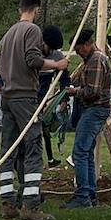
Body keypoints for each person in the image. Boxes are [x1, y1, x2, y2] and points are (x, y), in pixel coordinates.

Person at [0, 0, 67, 220]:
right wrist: (57, 64)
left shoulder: (8, 34)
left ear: (20, 9)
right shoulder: (32, 30)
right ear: (36, 10)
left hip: (7, 96)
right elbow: (33, 60)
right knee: (33, 147)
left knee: (8, 149)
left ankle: (7, 202)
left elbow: (1, 67)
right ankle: (31, 205)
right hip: (24, 97)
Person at [65, 28, 111, 209]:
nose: (78, 53)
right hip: (96, 109)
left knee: (80, 152)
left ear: (86, 45)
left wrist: (74, 91)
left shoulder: (95, 61)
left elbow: (93, 91)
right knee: (86, 152)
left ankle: (83, 195)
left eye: (78, 50)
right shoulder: (95, 59)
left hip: (95, 109)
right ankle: (90, 194)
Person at [39, 25, 67, 168]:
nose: (50, 52)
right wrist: (55, 65)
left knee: (44, 128)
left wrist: (64, 99)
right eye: (48, 47)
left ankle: (50, 159)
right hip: (28, 95)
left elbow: (64, 79)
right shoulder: (33, 52)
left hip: (41, 98)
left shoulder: (57, 55)